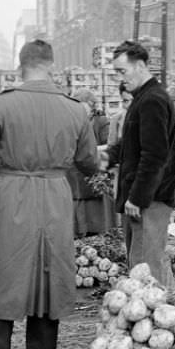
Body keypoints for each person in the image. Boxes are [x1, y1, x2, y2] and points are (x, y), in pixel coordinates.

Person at [0, 40, 98, 349]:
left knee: (1, 276)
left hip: (11, 198)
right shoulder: (75, 109)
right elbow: (89, 162)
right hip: (55, 198)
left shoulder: (3, 104)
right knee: (48, 281)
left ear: (21, 66)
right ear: (51, 65)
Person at [104, 40, 175, 289]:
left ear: (140, 65)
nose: (120, 78)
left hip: (151, 200)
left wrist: (137, 197)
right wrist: (110, 155)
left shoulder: (152, 100)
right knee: (148, 263)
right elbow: (134, 144)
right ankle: (171, 309)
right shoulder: (142, 98)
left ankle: (161, 320)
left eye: (122, 71)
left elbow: (155, 155)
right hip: (147, 198)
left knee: (145, 268)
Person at [67, 88, 116, 237]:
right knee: (77, 199)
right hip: (75, 170)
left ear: (91, 106)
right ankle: (79, 230)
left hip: (94, 167)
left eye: (83, 107)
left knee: (94, 205)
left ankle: (97, 231)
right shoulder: (70, 122)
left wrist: (89, 149)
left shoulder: (101, 121)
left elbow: (109, 144)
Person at [107, 81, 132, 148]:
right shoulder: (116, 120)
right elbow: (112, 148)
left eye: (135, 100)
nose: (130, 105)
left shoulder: (148, 119)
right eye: (125, 101)